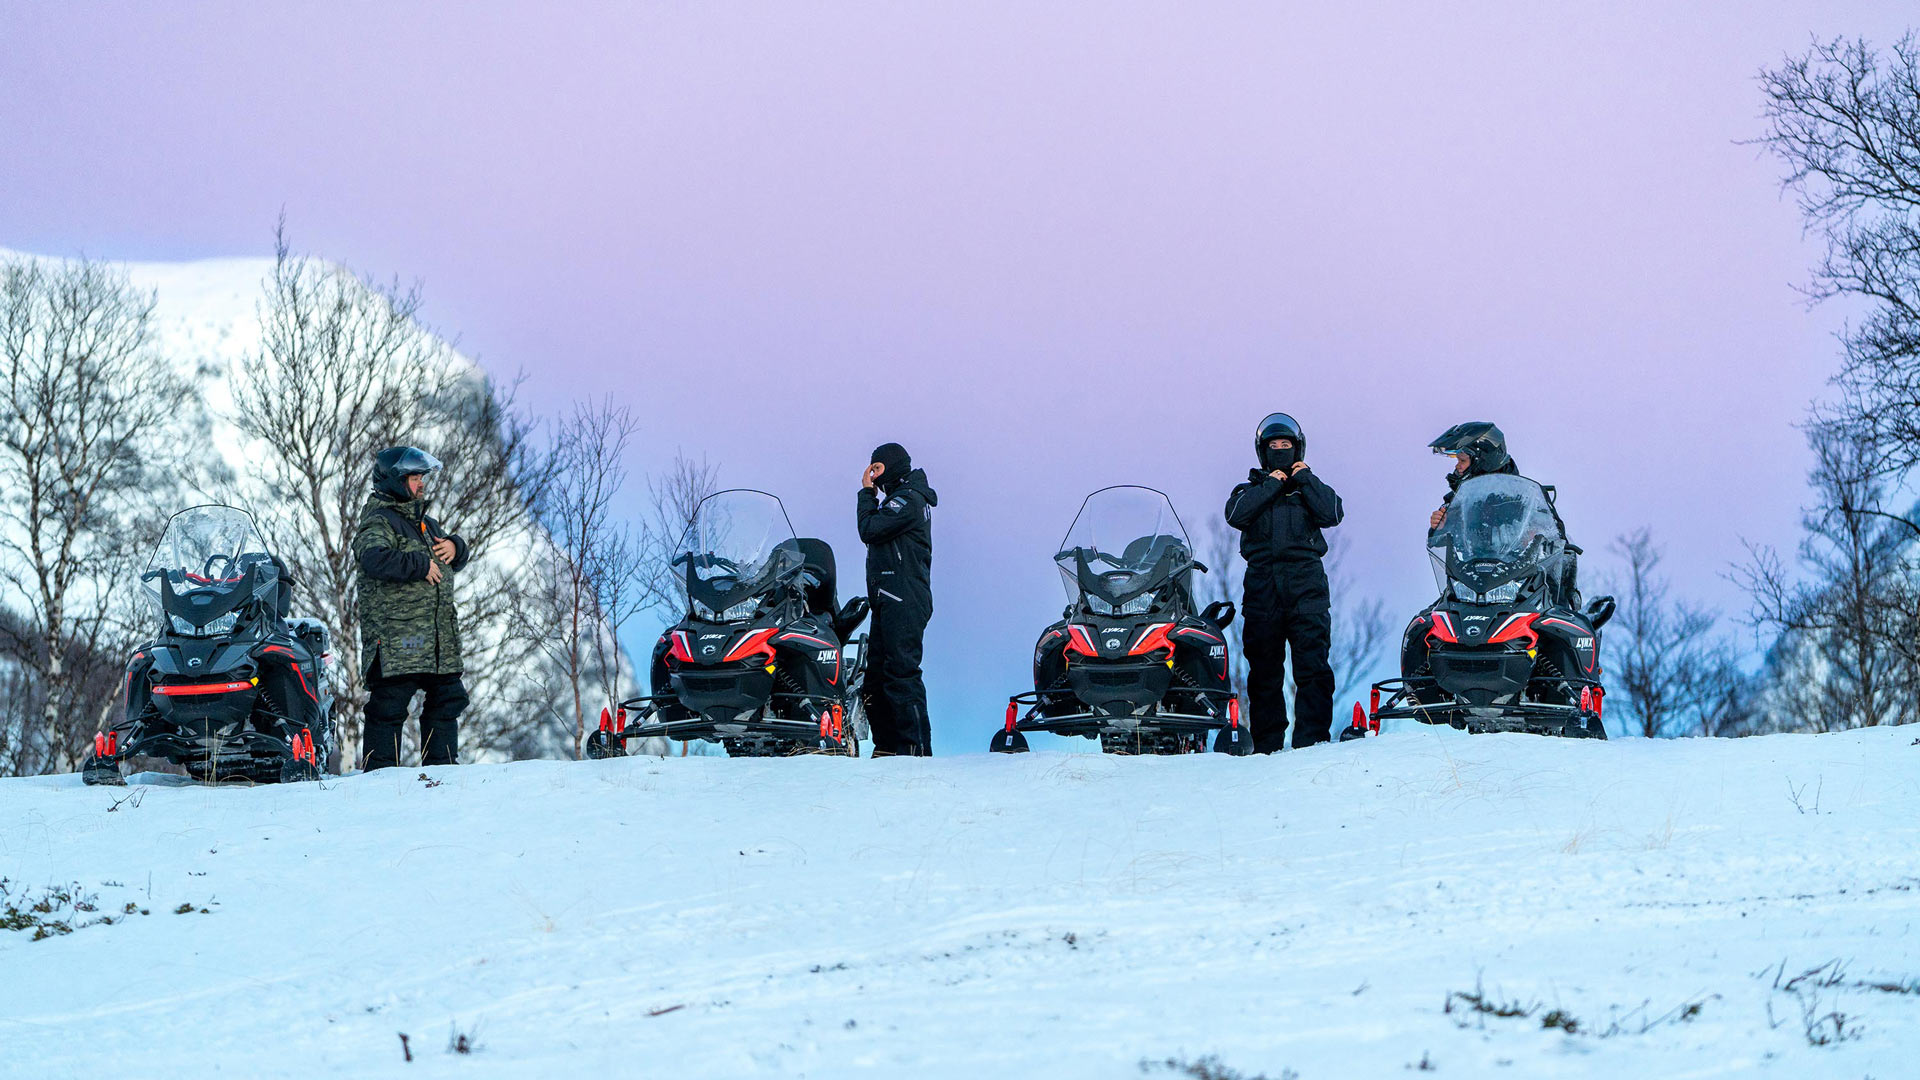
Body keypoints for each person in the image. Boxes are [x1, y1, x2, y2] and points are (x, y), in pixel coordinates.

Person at [1224, 413, 1345, 752]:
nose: (1280, 450)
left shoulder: (1310, 488)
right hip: (1263, 590)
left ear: (1298, 448)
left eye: (1286, 445)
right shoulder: (1248, 490)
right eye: (1273, 446)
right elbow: (1235, 515)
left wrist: (1304, 479)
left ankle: (1313, 743)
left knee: (1313, 670)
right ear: (1263, 451)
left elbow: (1332, 513)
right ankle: (1267, 746)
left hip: (1307, 590)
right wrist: (1271, 484)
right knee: (1264, 673)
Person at [352, 446, 472, 770]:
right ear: (393, 481)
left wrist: (455, 546)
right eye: (413, 477)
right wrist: (419, 565)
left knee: (448, 699)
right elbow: (373, 557)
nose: (421, 484)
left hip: (436, 641)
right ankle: (379, 780)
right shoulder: (378, 521)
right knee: (388, 707)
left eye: (421, 477)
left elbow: (455, 557)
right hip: (397, 641)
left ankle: (442, 773)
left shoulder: (426, 523)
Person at [1426, 421, 1579, 605]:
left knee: (1558, 616)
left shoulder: (1522, 498)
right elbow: (1448, 549)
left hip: (1522, 586)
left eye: (1462, 461)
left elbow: (1555, 536)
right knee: (1424, 625)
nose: (1457, 467)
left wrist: (1536, 535)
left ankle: (1571, 615)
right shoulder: (1460, 501)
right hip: (1470, 587)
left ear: (1482, 459)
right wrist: (1442, 527)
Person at [857, 442, 937, 756]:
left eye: (876, 469)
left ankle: (915, 750)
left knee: (901, 673)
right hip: (887, 599)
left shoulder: (908, 499)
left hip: (904, 598)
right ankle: (887, 749)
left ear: (891, 467)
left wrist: (866, 494)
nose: (872, 476)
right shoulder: (900, 499)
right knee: (875, 679)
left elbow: (869, 528)